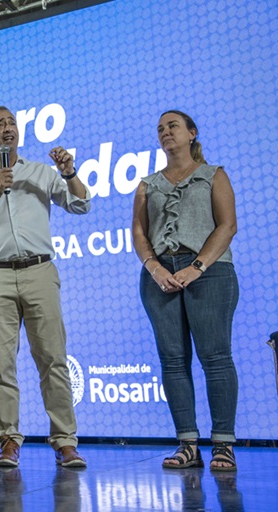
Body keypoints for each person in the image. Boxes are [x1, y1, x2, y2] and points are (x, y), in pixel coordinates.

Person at [0, 106, 90, 468]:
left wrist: (69, 173)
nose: (9, 128)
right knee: (0, 363)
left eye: (12, 123)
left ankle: (65, 442)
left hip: (39, 271)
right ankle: (9, 440)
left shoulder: (40, 172)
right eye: (0, 124)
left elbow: (80, 204)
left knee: (53, 359)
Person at [132, 110, 239, 472]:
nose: (165, 132)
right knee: (173, 361)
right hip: (160, 277)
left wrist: (197, 267)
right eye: (160, 129)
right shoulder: (147, 184)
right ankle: (187, 443)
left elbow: (227, 226)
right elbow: (139, 233)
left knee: (215, 356)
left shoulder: (214, 176)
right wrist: (155, 267)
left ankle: (223, 444)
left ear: (192, 133)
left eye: (172, 126)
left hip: (209, 272)